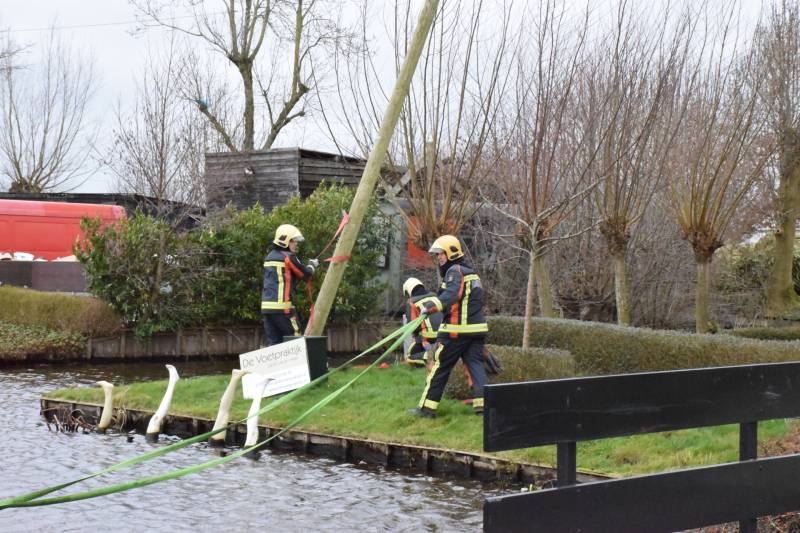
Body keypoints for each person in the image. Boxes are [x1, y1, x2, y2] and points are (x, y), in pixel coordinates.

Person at [409, 235, 489, 418]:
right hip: (476, 331)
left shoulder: (454, 271)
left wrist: (431, 307)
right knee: (476, 367)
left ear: (451, 253)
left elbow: (451, 295)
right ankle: (484, 408)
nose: (438, 258)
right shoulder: (472, 273)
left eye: (441, 254)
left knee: (440, 367)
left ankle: (426, 410)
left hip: (456, 331)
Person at [261, 224, 319, 346]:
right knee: (295, 340)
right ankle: (300, 365)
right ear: (285, 241)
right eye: (293, 241)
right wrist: (312, 265)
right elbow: (306, 275)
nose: (296, 244)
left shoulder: (269, 257)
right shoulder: (288, 257)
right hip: (283, 309)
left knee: (274, 344)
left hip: (267, 309)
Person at [402, 277, 442, 367]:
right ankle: (435, 354)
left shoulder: (411, 302)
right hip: (444, 334)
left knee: (409, 356)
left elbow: (413, 325)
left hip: (428, 337)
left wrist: (415, 336)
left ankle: (431, 356)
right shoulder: (434, 296)